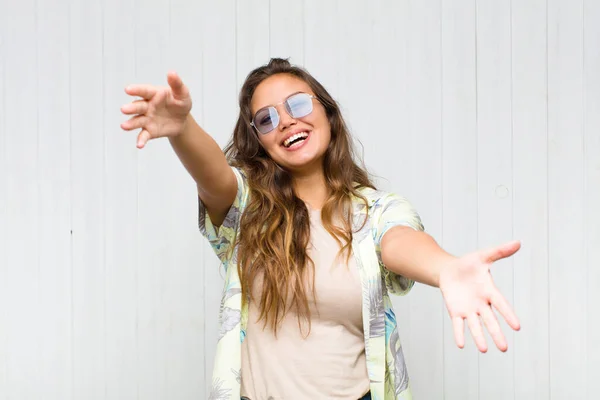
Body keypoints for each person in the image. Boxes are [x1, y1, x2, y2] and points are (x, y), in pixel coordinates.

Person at [120, 58, 521, 400]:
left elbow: (400, 240)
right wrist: (183, 127)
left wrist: (445, 268)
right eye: (267, 118)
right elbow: (215, 177)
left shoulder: (375, 211)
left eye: (297, 104)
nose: (287, 121)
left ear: (327, 112)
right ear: (259, 140)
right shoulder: (248, 208)